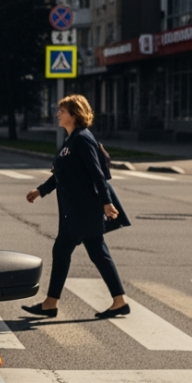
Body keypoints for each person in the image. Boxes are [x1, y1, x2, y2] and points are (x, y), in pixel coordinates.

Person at [23, 94, 127, 319]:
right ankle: (119, 301)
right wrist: (40, 191)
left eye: (62, 111)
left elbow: (96, 173)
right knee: (97, 252)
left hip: (83, 210)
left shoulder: (82, 139)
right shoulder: (71, 141)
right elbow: (60, 174)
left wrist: (106, 203)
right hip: (78, 209)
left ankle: (51, 304)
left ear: (74, 114)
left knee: (63, 250)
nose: (58, 114)